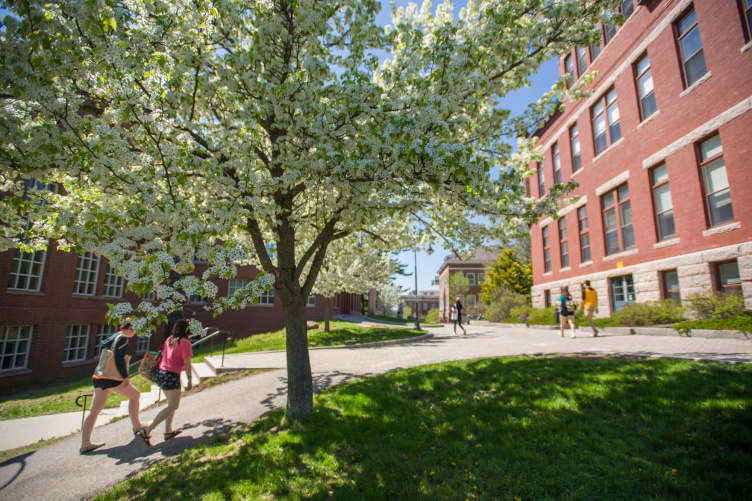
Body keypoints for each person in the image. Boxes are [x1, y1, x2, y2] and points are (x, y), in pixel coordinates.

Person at [80, 319, 146, 454]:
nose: (135, 332)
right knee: (135, 395)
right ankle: (137, 426)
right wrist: (124, 376)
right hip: (111, 378)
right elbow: (118, 358)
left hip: (99, 376)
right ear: (128, 328)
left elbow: (105, 349)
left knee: (94, 411)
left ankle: (85, 444)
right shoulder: (123, 339)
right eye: (133, 329)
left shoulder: (113, 337)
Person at [138, 319, 193, 445]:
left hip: (161, 373)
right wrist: (189, 379)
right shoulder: (185, 343)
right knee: (173, 405)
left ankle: (168, 431)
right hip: (171, 375)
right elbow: (187, 362)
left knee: (170, 404)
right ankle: (147, 430)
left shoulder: (170, 339)